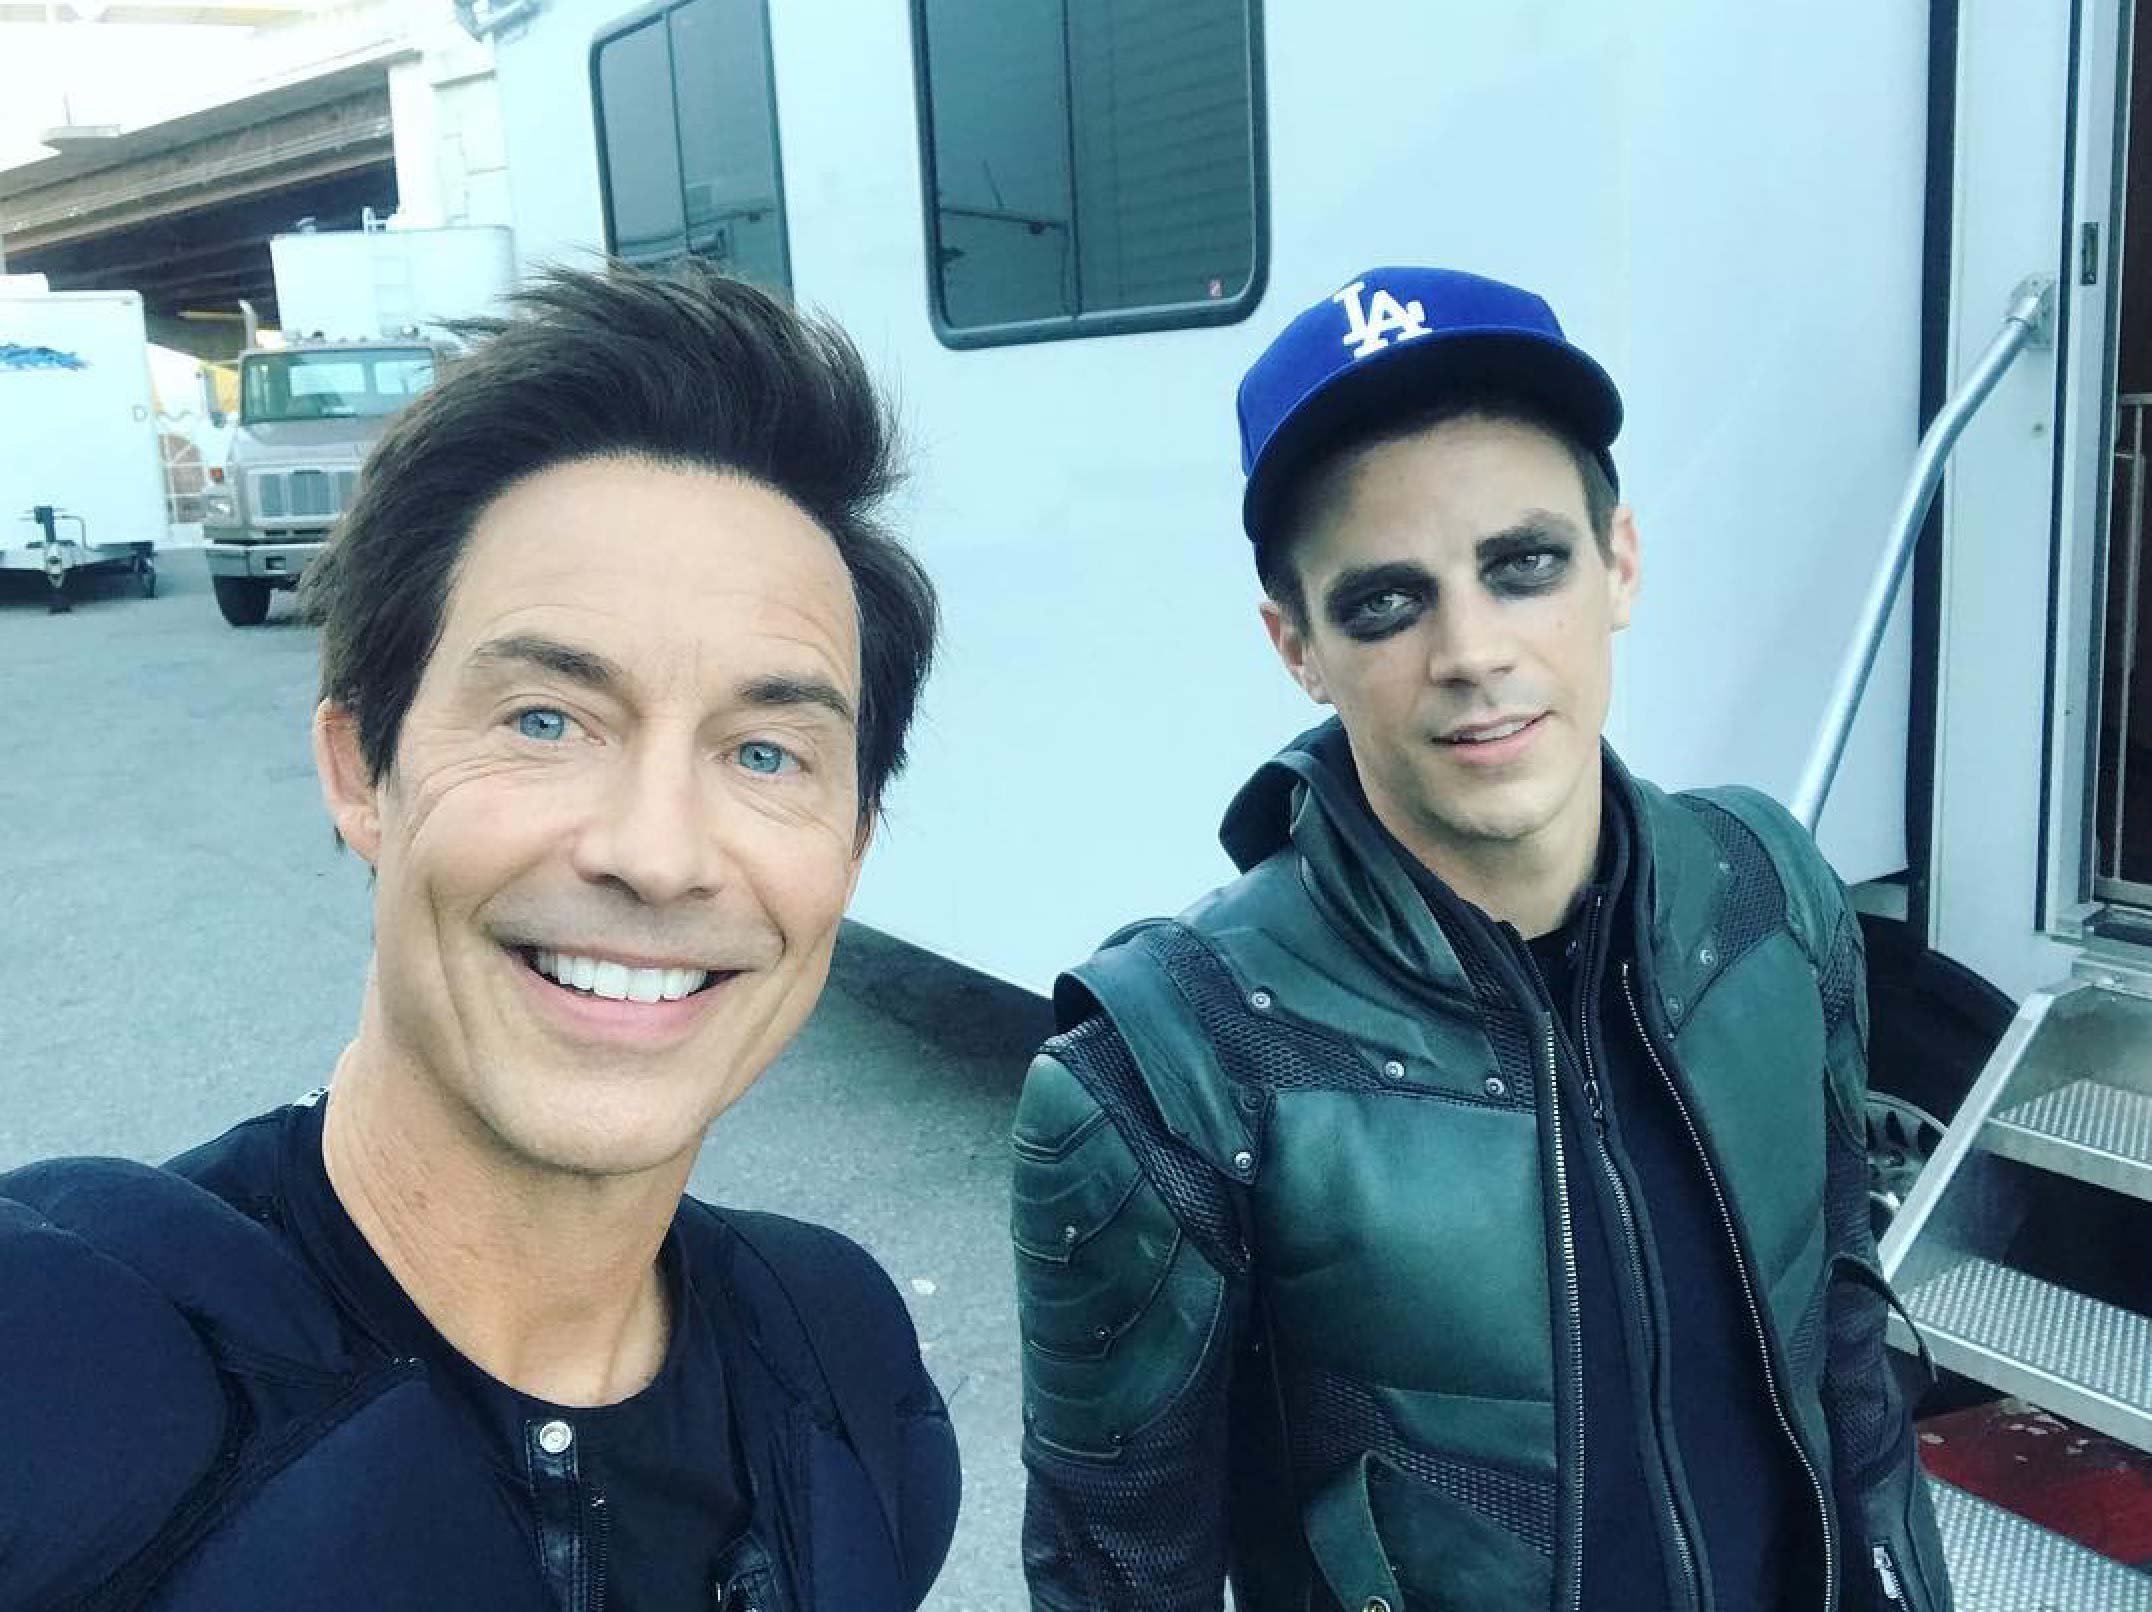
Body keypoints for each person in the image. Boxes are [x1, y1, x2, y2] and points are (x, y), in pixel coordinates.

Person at [1, 262, 959, 1611]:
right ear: (360, 769)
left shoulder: (848, 1379)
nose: (658, 854)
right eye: (547, 720)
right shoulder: (60, 1359)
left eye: (764, 751)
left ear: (851, 849)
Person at [1011, 266, 1950, 1611]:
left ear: (1620, 563)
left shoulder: (1770, 896)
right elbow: (1115, 1582)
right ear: (1296, 645)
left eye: (1524, 566)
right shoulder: (1171, 1063)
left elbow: (1846, 1353)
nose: (1471, 649)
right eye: (1386, 602)